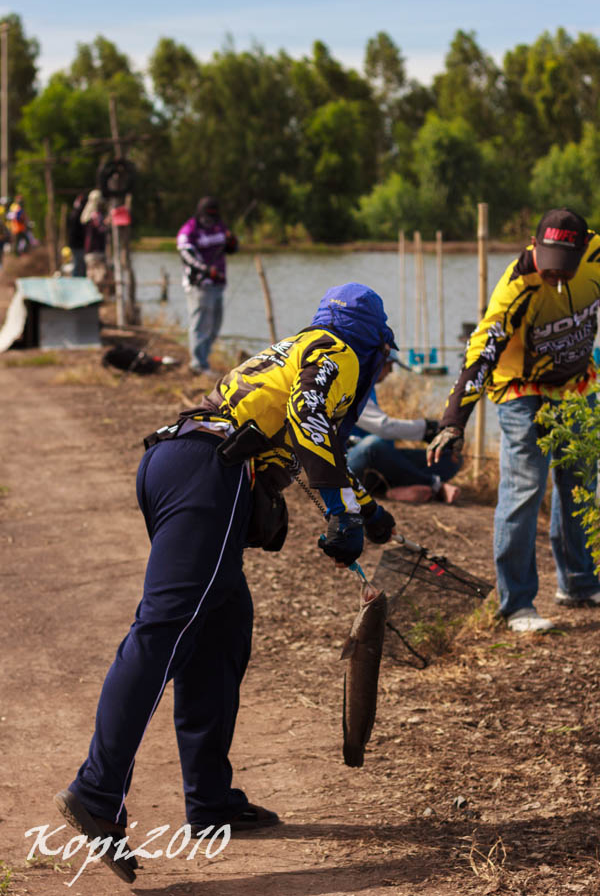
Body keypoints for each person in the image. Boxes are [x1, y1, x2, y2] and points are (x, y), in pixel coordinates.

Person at [54, 282, 398, 883]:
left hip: (180, 458)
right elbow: (311, 417)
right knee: (162, 631)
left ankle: (210, 801)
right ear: (372, 342)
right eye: (387, 358)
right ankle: (96, 792)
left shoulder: (298, 347)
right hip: (207, 477)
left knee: (222, 627)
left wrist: (364, 508)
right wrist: (341, 517)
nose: (386, 369)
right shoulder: (340, 350)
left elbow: (318, 440)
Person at [427, 208, 600, 633]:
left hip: (577, 386)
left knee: (580, 481)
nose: (555, 276)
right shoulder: (515, 288)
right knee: (525, 489)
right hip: (523, 391)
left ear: (581, 251)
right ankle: (517, 604)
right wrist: (454, 421)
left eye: (564, 268)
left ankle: (578, 583)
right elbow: (480, 357)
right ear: (535, 246)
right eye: (548, 264)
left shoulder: (596, 255)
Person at [347, 350, 461, 504]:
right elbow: (383, 427)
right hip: (351, 462)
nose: (391, 372)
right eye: (389, 366)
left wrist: (432, 434)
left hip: (380, 462)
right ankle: (434, 486)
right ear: (375, 363)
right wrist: (427, 430)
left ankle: (392, 489)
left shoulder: (368, 387)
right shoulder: (352, 385)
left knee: (450, 459)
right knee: (372, 445)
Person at [177, 197, 238, 376]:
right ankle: (198, 365)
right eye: (208, 215)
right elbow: (186, 255)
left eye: (214, 215)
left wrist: (232, 242)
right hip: (199, 285)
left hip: (218, 285)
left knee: (214, 327)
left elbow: (232, 249)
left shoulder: (220, 226)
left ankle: (204, 360)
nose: (211, 219)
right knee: (200, 325)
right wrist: (206, 271)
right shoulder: (189, 230)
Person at [81, 189, 109, 288]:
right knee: (99, 277)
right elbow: (101, 230)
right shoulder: (95, 216)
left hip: (89, 251)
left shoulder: (87, 215)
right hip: (96, 250)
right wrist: (108, 222)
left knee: (91, 276)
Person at [67, 192, 88, 277]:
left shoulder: (74, 212)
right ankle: (76, 282)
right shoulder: (79, 214)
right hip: (77, 244)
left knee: (78, 264)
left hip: (75, 243)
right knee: (79, 265)